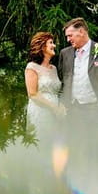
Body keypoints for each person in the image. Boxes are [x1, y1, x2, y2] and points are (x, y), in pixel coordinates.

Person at [24, 32, 68, 176]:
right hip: (40, 111)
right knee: (40, 145)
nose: (54, 45)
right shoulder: (32, 67)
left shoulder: (54, 69)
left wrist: (60, 106)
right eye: (51, 43)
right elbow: (33, 94)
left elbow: (56, 91)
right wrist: (53, 108)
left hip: (55, 113)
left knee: (54, 146)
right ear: (42, 46)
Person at [57, 17, 98, 111]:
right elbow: (62, 81)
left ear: (81, 32)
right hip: (71, 111)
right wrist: (62, 103)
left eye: (70, 35)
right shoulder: (65, 53)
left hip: (97, 110)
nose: (68, 40)